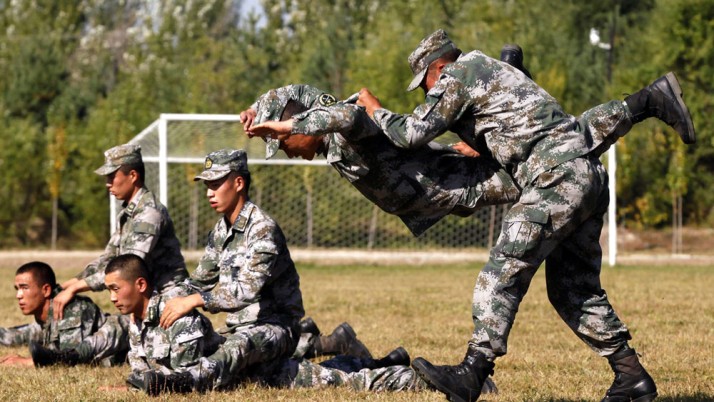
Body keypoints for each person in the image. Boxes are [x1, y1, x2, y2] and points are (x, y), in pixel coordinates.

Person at [353, 29, 696, 402]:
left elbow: (410, 134)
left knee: (501, 272)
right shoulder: (491, 69)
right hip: (586, 176)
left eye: (425, 85)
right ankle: (632, 377)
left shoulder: (457, 75)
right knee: (572, 291)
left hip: (555, 179)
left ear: (438, 67)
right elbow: (526, 121)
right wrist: (483, 143)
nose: (427, 93)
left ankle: (473, 371)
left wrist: (373, 108)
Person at [143, 148, 305, 393]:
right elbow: (198, 281)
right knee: (187, 319)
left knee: (239, 346)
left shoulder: (262, 228)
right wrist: (164, 301)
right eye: (208, 185)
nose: (210, 193)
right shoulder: (221, 230)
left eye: (216, 184)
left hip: (278, 327)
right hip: (235, 328)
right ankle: (157, 368)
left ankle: (186, 382)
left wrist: (193, 300)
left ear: (238, 182)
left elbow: (247, 291)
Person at [53, 143, 189, 320]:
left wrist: (76, 288)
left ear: (133, 175)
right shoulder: (129, 212)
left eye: (112, 176)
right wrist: (74, 282)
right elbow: (109, 258)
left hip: (168, 297)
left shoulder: (149, 212)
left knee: (108, 334)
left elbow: (127, 267)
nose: (107, 184)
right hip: (146, 296)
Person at [100, 254, 224, 392]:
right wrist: (131, 388)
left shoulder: (175, 314)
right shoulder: (136, 321)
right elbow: (142, 375)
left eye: (116, 289)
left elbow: (187, 380)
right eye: (109, 290)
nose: (112, 298)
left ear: (141, 285)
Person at [0, 261, 123, 367]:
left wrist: (26, 362)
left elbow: (66, 358)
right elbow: (17, 335)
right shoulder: (46, 313)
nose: (18, 295)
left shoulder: (69, 308)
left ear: (46, 290)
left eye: (24, 288)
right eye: (17, 289)